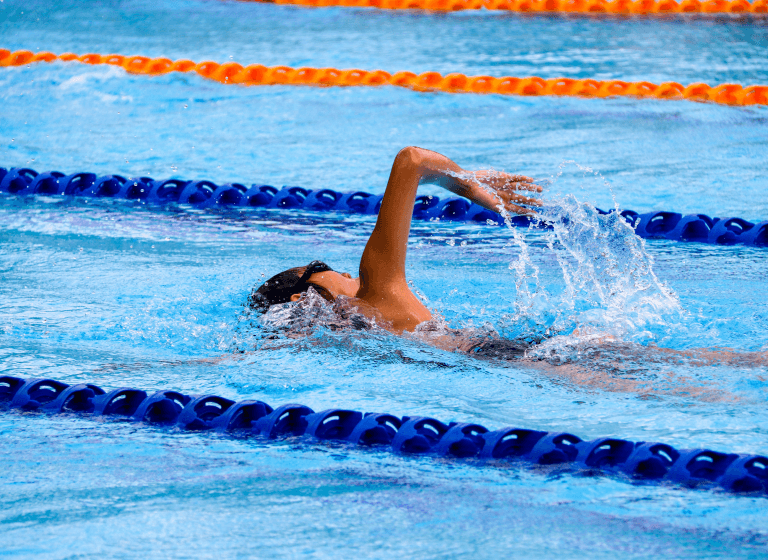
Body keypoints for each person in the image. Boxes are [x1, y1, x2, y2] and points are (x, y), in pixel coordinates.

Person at [249, 146, 542, 333]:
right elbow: (411, 160)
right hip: (520, 358)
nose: (347, 272)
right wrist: (470, 185)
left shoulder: (364, 335)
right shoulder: (374, 289)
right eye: (321, 267)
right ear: (304, 299)